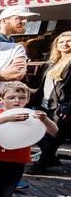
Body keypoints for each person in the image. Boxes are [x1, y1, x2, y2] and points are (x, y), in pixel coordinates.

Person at [29, 31, 71, 173]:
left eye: (69, 41)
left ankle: (41, 165)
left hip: (62, 107)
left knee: (53, 137)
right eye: (61, 41)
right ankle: (51, 159)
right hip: (45, 103)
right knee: (38, 132)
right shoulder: (50, 63)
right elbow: (42, 87)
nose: (65, 44)